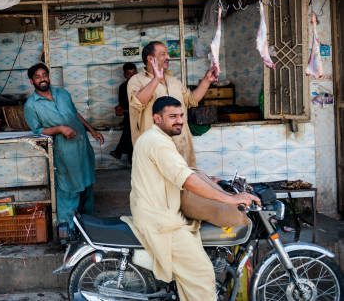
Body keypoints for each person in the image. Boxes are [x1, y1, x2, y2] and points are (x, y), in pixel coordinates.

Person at [123, 97, 260, 301]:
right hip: (161, 221)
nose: (179, 121)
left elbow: (179, 171)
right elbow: (187, 180)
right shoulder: (157, 143)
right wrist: (230, 199)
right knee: (202, 275)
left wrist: (210, 179)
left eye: (181, 116)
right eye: (172, 117)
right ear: (157, 118)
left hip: (161, 214)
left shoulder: (156, 138)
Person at [23, 63, 104, 232]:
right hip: (63, 151)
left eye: (44, 74)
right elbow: (38, 131)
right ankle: (67, 233)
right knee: (68, 189)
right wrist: (59, 129)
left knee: (87, 186)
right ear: (32, 81)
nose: (42, 79)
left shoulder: (63, 94)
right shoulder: (31, 105)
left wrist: (92, 130)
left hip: (81, 146)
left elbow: (75, 113)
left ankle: (89, 228)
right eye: (38, 77)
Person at [127, 41, 218, 167]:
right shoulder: (136, 80)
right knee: (160, 185)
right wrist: (156, 79)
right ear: (150, 58)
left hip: (181, 146)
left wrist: (207, 80)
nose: (168, 57)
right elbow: (137, 102)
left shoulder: (173, 80)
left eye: (168, 54)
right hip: (155, 148)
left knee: (183, 184)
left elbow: (191, 100)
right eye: (163, 54)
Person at [110, 62, 137, 162]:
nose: (132, 76)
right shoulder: (122, 87)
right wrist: (123, 109)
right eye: (129, 74)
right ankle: (121, 152)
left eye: (134, 74)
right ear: (125, 75)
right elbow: (123, 104)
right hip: (129, 117)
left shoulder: (142, 86)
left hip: (138, 117)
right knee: (130, 133)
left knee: (129, 132)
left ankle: (119, 151)